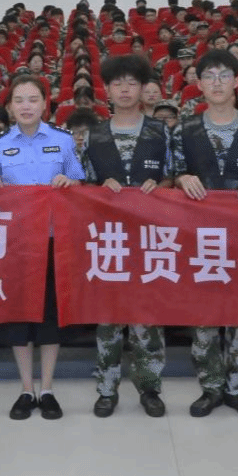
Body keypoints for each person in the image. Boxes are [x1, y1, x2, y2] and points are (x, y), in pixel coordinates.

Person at [174, 49, 238, 419]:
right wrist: (182, 177)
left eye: (224, 75)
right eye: (209, 76)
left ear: (237, 82)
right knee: (204, 311)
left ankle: (237, 387)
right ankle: (210, 386)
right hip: (200, 235)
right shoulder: (185, 128)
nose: (217, 83)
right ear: (198, 84)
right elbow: (174, 171)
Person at [0, 73, 83, 420]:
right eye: (19, 100)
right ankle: (26, 388)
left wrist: (70, 181)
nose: (26, 106)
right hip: (16, 243)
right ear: (10, 107)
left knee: (50, 316)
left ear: (44, 104)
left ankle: (47, 388)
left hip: (53, 240)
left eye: (33, 99)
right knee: (20, 317)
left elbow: (80, 181)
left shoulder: (63, 140)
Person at [81, 55, 172, 419]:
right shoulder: (94, 134)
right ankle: (106, 389)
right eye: (117, 83)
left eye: (131, 83)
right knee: (109, 318)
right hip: (109, 238)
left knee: (147, 316)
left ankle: (150, 388)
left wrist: (162, 185)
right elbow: (84, 185)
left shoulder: (161, 131)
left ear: (144, 89)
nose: (124, 89)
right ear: (106, 90)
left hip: (151, 238)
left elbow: (174, 176)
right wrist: (99, 187)